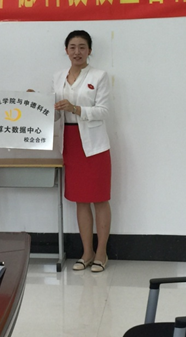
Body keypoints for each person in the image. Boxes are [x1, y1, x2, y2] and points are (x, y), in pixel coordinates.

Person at [53, 30, 112, 272]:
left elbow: (104, 110)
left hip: (94, 144)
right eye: (72, 47)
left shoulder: (99, 76)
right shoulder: (58, 77)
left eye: (82, 47)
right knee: (80, 199)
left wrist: (76, 109)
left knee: (99, 198)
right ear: (66, 50)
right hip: (70, 141)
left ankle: (102, 253)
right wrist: (38, 105)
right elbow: (56, 113)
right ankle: (86, 252)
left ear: (89, 51)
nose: (77, 52)